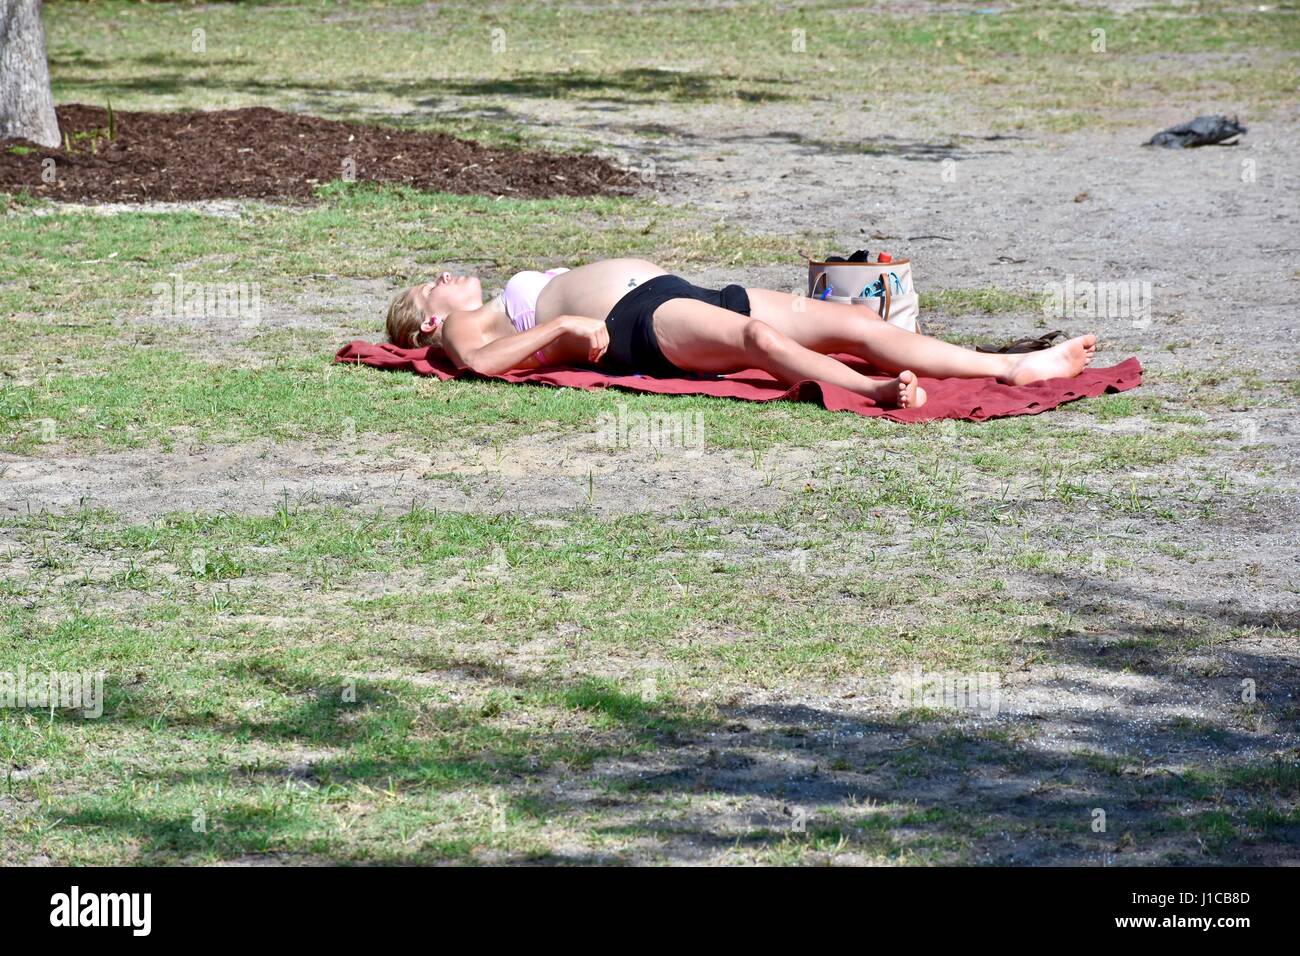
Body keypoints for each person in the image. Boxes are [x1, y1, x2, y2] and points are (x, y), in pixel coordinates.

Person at [384, 258, 1096, 409]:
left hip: (671, 290)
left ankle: (1012, 367)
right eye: (430, 282)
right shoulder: (459, 333)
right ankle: (873, 388)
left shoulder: (472, 305)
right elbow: (479, 363)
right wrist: (569, 322)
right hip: (638, 323)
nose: (445, 273)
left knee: (852, 319)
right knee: (760, 343)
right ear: (428, 320)